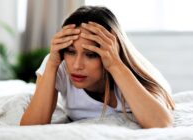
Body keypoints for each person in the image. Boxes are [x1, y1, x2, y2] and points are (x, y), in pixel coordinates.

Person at [20, 6, 175, 128]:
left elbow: (161, 124)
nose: (77, 65)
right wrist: (52, 64)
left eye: (91, 54)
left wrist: (115, 64)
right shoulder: (58, 64)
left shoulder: (127, 69)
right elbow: (30, 127)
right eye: (71, 52)